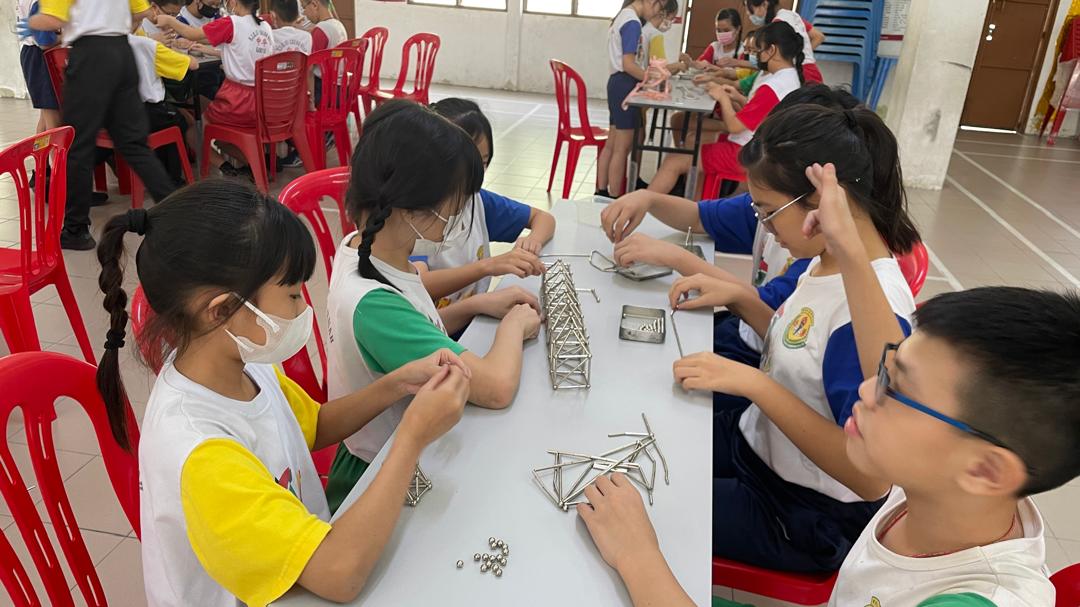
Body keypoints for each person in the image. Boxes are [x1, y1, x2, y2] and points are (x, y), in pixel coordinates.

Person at [95, 179, 472, 606]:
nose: (303, 309)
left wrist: (396, 383)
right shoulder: (201, 452)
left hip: (302, 560)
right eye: (293, 295)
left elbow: (312, 425)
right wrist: (413, 435)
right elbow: (340, 576)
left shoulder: (242, 363)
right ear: (221, 310)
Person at [576, 285, 1074, 607]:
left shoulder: (980, 598)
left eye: (895, 389)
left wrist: (638, 556)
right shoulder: (934, 490)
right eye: (885, 368)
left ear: (986, 470)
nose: (863, 391)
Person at [668, 105, 922, 572]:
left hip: (797, 509)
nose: (764, 227)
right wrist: (741, 299)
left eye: (767, 212)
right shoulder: (822, 261)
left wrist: (754, 384)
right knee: (655, 438)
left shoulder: (865, 306)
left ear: (823, 203)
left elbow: (869, 477)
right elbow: (802, 353)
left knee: (648, 502)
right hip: (759, 445)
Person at [324, 101, 542, 513]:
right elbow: (495, 388)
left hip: (408, 453)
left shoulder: (368, 252)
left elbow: (414, 326)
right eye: (453, 204)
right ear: (410, 209)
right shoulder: (373, 303)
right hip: (381, 474)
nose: (458, 215)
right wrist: (514, 326)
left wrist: (477, 303)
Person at [600, 83, 858, 398]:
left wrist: (678, 258)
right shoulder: (776, 211)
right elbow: (699, 215)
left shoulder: (819, 258)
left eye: (768, 210)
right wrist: (648, 198)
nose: (761, 218)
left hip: (757, 358)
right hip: (747, 338)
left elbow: (765, 313)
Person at [26, 0, 179, 250]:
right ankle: (178, 215)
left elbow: (51, 21)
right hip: (123, 53)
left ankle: (76, 229)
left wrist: (32, 21)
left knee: (79, 146)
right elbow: (142, 11)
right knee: (134, 145)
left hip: (90, 56)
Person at [419, 98, 556, 332]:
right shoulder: (410, 217)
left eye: (482, 163)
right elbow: (418, 284)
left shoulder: (476, 201)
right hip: (437, 335)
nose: (474, 174)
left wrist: (531, 242)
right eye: (464, 162)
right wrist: (488, 267)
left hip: (472, 324)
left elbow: (544, 219)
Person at [647, 20, 804, 197]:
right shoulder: (788, 79)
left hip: (748, 152)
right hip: (754, 145)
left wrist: (723, 98)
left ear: (772, 50)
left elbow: (734, 126)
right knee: (692, 142)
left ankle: (642, 206)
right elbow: (760, 114)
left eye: (758, 50)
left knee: (673, 161)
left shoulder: (774, 85)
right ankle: (695, 206)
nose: (756, 56)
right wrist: (736, 97)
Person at [157, 0, 274, 177]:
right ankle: (257, 166)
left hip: (237, 101)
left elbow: (191, 33)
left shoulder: (231, 23)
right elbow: (238, 49)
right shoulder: (265, 26)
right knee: (217, 130)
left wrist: (169, 20)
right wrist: (210, 50)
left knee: (193, 133)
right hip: (261, 101)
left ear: (233, 2)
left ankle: (226, 167)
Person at [595, 0, 664, 198]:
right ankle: (615, 196)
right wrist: (651, 79)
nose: (659, 12)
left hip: (617, 84)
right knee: (621, 148)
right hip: (624, 84)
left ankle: (601, 191)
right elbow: (628, 64)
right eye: (661, 6)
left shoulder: (624, 16)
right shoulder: (632, 22)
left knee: (613, 143)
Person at [126, 33, 199, 187]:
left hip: (113, 114)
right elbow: (193, 64)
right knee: (179, 122)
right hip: (145, 111)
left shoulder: (100, 41)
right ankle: (172, 180)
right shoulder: (146, 44)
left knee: (171, 115)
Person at [16, 0, 61, 189]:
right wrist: (68, 35)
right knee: (55, 124)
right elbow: (45, 41)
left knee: (46, 119)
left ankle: (43, 173)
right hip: (42, 56)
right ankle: (60, 183)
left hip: (33, 54)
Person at [745, 0, 824, 84]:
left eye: (751, 10)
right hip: (812, 71)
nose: (748, 14)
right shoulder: (790, 15)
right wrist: (804, 54)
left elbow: (771, 61)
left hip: (802, 76)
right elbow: (819, 36)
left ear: (764, 4)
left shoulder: (778, 26)